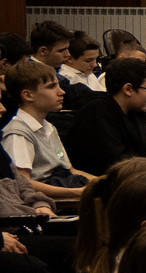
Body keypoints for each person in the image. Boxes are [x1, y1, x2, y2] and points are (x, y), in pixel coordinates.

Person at [5, 62, 95, 201]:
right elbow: (22, 183)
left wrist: (105, 181)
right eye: (52, 87)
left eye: (58, 85)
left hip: (67, 193)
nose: (62, 91)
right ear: (28, 95)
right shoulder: (17, 133)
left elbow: (71, 171)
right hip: (46, 207)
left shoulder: (49, 127)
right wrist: (78, 192)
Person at [62, 58, 146, 175]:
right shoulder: (98, 111)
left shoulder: (136, 111)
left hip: (137, 177)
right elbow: (115, 165)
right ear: (128, 89)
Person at [60, 33, 104, 100]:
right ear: (69, 59)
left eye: (96, 59)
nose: (95, 64)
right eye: (88, 60)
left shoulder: (87, 72)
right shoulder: (66, 78)